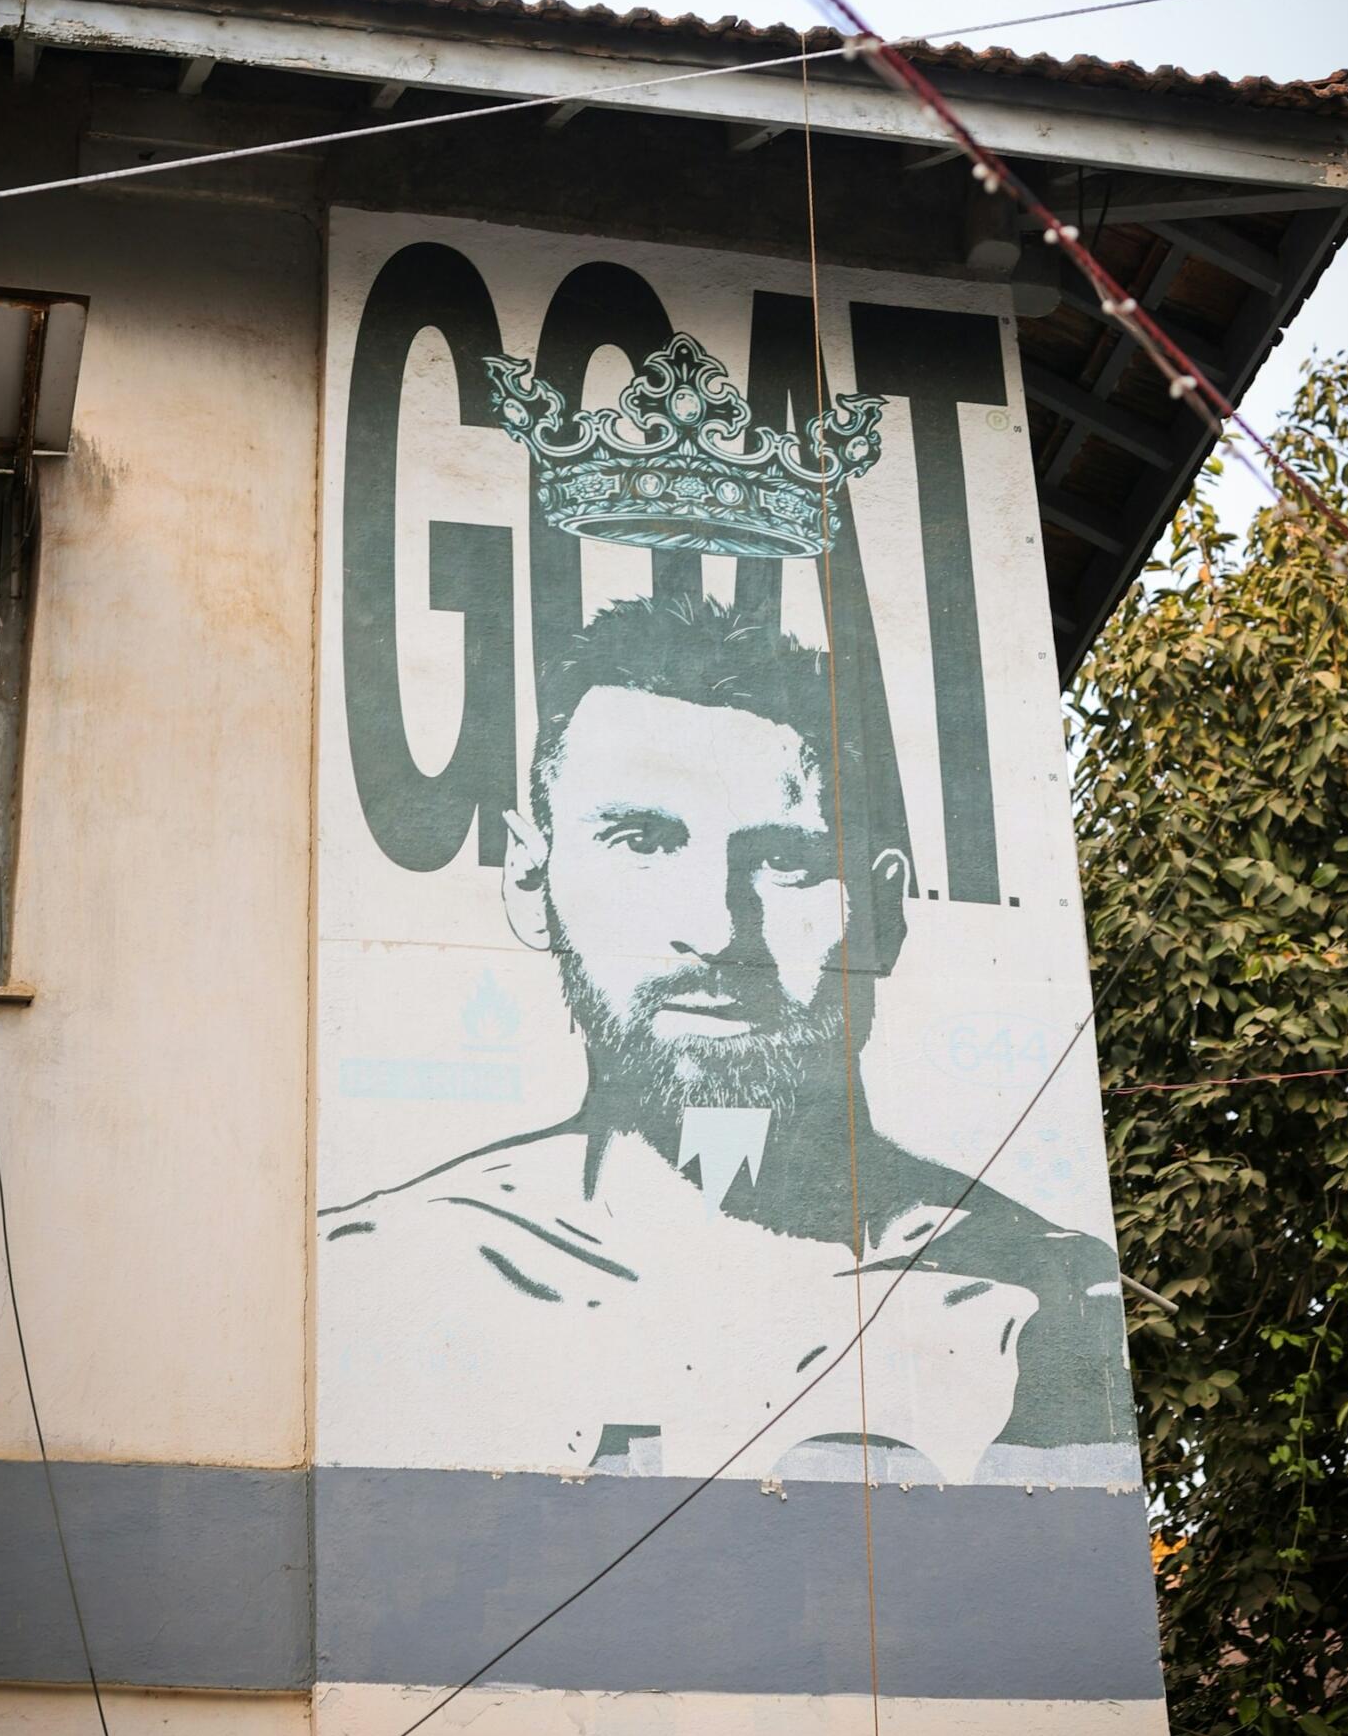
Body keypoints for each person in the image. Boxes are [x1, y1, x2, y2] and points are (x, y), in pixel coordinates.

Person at [322, 595, 1131, 1484]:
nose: (714, 930)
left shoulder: (1047, 1301)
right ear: (528, 877)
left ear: (884, 910)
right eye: (639, 840)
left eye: (787, 862)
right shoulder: (375, 1269)